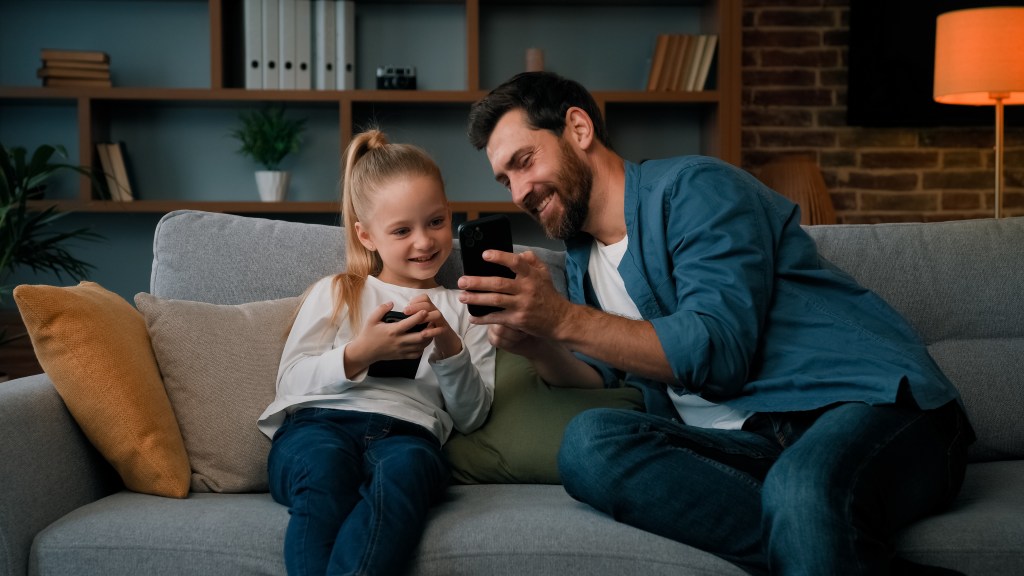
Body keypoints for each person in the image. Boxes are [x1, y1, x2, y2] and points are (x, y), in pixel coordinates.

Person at [460, 71, 974, 575]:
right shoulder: (581, 258)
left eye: (524, 162)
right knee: (590, 443)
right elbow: (605, 375)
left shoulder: (695, 189)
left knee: (802, 486)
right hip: (754, 449)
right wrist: (539, 340)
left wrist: (562, 317)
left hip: (870, 406)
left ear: (578, 129)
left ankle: (814, 527)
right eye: (506, 180)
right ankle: (827, 542)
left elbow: (718, 351)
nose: (519, 192)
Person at [258, 129, 495, 576]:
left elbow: (472, 415)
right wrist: (359, 353)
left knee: (406, 474)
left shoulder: (463, 307)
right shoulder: (341, 290)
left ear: (451, 215)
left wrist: (448, 345)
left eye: (437, 222)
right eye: (402, 230)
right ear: (366, 236)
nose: (424, 242)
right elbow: (288, 382)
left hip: (409, 435)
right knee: (325, 470)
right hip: (317, 425)